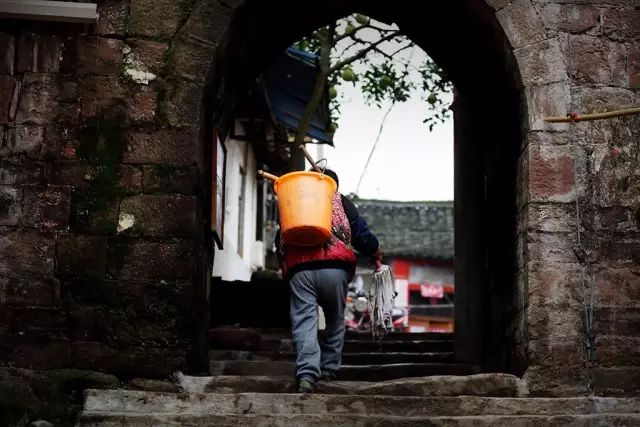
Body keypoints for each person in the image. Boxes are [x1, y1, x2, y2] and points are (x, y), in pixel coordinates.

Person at [274, 168, 382, 394]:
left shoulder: (295, 196)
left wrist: (285, 266)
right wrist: (375, 251)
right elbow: (362, 236)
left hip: (300, 270)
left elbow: (280, 237)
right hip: (335, 270)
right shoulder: (340, 201)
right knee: (334, 319)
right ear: (334, 185)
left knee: (304, 321)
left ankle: (306, 375)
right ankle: (329, 369)